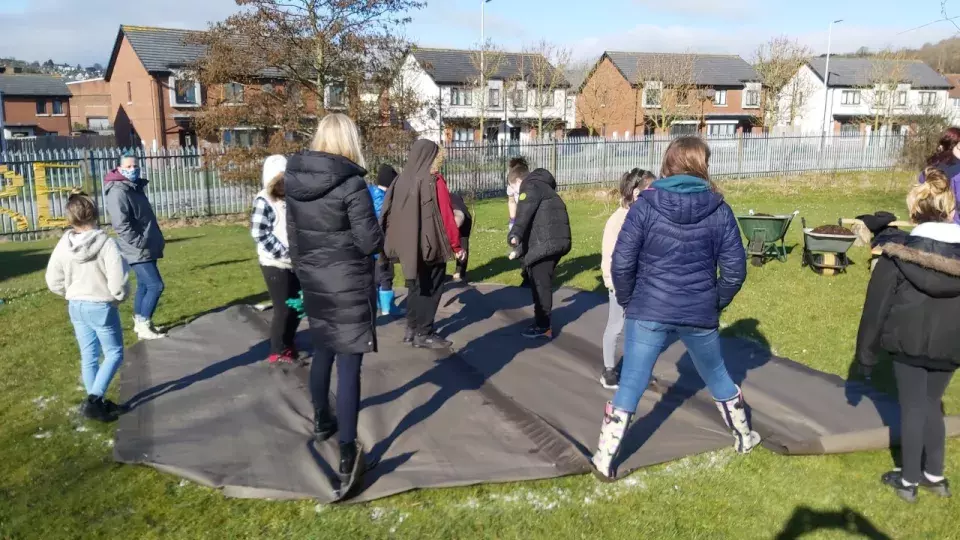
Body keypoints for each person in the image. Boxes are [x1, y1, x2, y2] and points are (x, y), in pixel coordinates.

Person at [591, 136, 757, 481]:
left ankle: (604, 458)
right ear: (702, 164)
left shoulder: (644, 207)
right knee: (719, 377)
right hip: (696, 312)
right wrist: (713, 302)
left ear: (668, 162)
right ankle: (743, 435)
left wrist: (629, 301)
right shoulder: (719, 209)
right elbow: (735, 271)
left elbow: (621, 264)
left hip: (649, 310)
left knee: (632, 383)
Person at [284, 113, 383, 495]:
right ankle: (346, 452)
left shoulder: (294, 184)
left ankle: (322, 419)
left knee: (323, 350)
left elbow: (294, 239)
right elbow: (369, 242)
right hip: (349, 283)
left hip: (315, 281)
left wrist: (306, 273)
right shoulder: (353, 184)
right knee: (349, 365)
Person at [855, 167, 960, 503]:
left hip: (907, 342)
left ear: (913, 211)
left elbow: (875, 309)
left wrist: (865, 356)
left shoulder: (894, 257)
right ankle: (935, 476)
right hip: (950, 345)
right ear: (951, 211)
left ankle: (909, 481)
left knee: (914, 406)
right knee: (930, 403)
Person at [45, 192, 129, 422]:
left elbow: (53, 280)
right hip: (100, 305)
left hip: (76, 306)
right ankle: (95, 399)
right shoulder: (107, 244)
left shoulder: (63, 245)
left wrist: (70, 293)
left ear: (70, 218)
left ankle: (97, 403)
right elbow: (118, 282)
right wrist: (118, 298)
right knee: (114, 353)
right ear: (95, 213)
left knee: (89, 356)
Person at [381, 140, 466, 349]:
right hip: (432, 244)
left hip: (409, 245)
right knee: (432, 287)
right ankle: (424, 332)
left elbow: (388, 212)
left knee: (416, 285)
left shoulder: (400, 180)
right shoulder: (433, 181)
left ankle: (411, 329)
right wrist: (456, 247)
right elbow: (447, 216)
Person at [600, 168, 656, 389]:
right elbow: (609, 257)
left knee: (641, 329)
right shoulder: (617, 221)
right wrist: (612, 283)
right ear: (635, 193)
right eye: (650, 190)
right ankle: (609, 369)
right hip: (621, 285)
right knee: (616, 326)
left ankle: (637, 370)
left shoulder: (647, 217)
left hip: (644, 284)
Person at [104, 152, 166, 340]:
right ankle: (144, 323)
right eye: (129, 167)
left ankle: (141, 323)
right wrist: (140, 242)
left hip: (146, 245)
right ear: (120, 168)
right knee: (156, 285)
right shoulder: (118, 191)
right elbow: (121, 225)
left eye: (135, 166)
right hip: (136, 248)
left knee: (144, 286)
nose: (133, 169)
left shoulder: (134, 187)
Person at [507, 168, 572, 339]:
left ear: (518, 182)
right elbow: (536, 224)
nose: (514, 193)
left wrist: (515, 235)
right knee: (540, 282)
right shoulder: (545, 188)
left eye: (513, 188)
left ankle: (543, 326)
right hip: (555, 241)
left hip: (545, 245)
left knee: (540, 285)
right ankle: (542, 322)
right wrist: (520, 250)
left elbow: (524, 215)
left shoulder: (529, 187)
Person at [251, 154, 301, 365]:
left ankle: (288, 342)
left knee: (298, 305)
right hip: (274, 263)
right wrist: (283, 252)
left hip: (296, 262)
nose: (283, 182)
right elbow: (260, 233)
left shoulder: (292, 199)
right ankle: (277, 350)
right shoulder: (264, 200)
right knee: (283, 307)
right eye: (279, 178)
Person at [369, 164, 403, 316]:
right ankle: (388, 307)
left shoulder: (369, 193)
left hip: (370, 244)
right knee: (386, 276)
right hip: (383, 245)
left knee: (375, 276)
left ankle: (376, 303)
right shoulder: (384, 200)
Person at [919, 127, 960, 225]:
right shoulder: (957, 172)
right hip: (952, 224)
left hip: (926, 221)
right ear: (953, 145)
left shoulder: (929, 168)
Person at [507, 157, 532, 288]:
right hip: (520, 219)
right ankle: (526, 275)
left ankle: (534, 276)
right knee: (521, 247)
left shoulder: (531, 186)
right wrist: (513, 221)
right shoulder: (512, 186)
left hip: (531, 218)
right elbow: (511, 201)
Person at [449, 191, 473, 282]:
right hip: (458, 217)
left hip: (464, 218)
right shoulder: (449, 196)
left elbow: (459, 216)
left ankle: (460, 272)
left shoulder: (450, 201)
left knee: (463, 245)